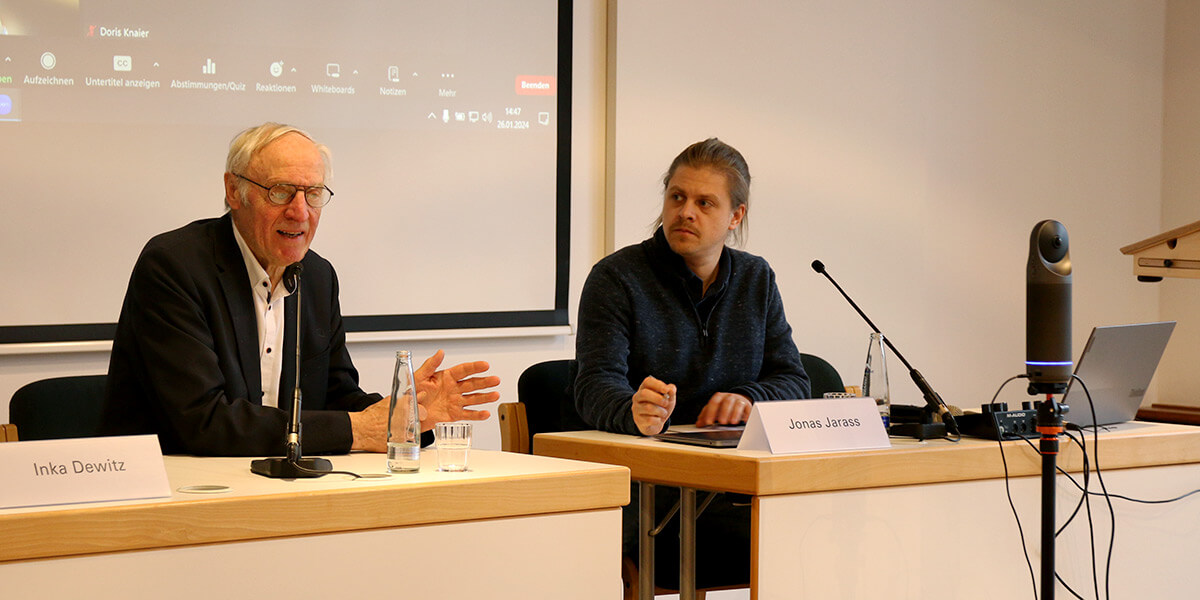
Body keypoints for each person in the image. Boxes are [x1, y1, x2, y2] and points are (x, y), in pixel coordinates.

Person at [102, 122, 498, 456]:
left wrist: (409, 415)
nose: (299, 211)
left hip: (275, 489)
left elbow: (337, 398)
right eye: (279, 192)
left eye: (312, 194)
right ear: (233, 191)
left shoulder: (317, 277)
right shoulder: (175, 266)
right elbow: (203, 423)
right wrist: (362, 430)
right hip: (171, 491)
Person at [573, 138, 810, 589]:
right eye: (677, 197)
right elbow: (593, 385)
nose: (686, 212)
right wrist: (632, 410)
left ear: (735, 216)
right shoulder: (617, 278)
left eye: (705, 203)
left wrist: (749, 398)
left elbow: (795, 379)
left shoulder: (755, 278)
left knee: (809, 534)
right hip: (650, 495)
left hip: (734, 489)